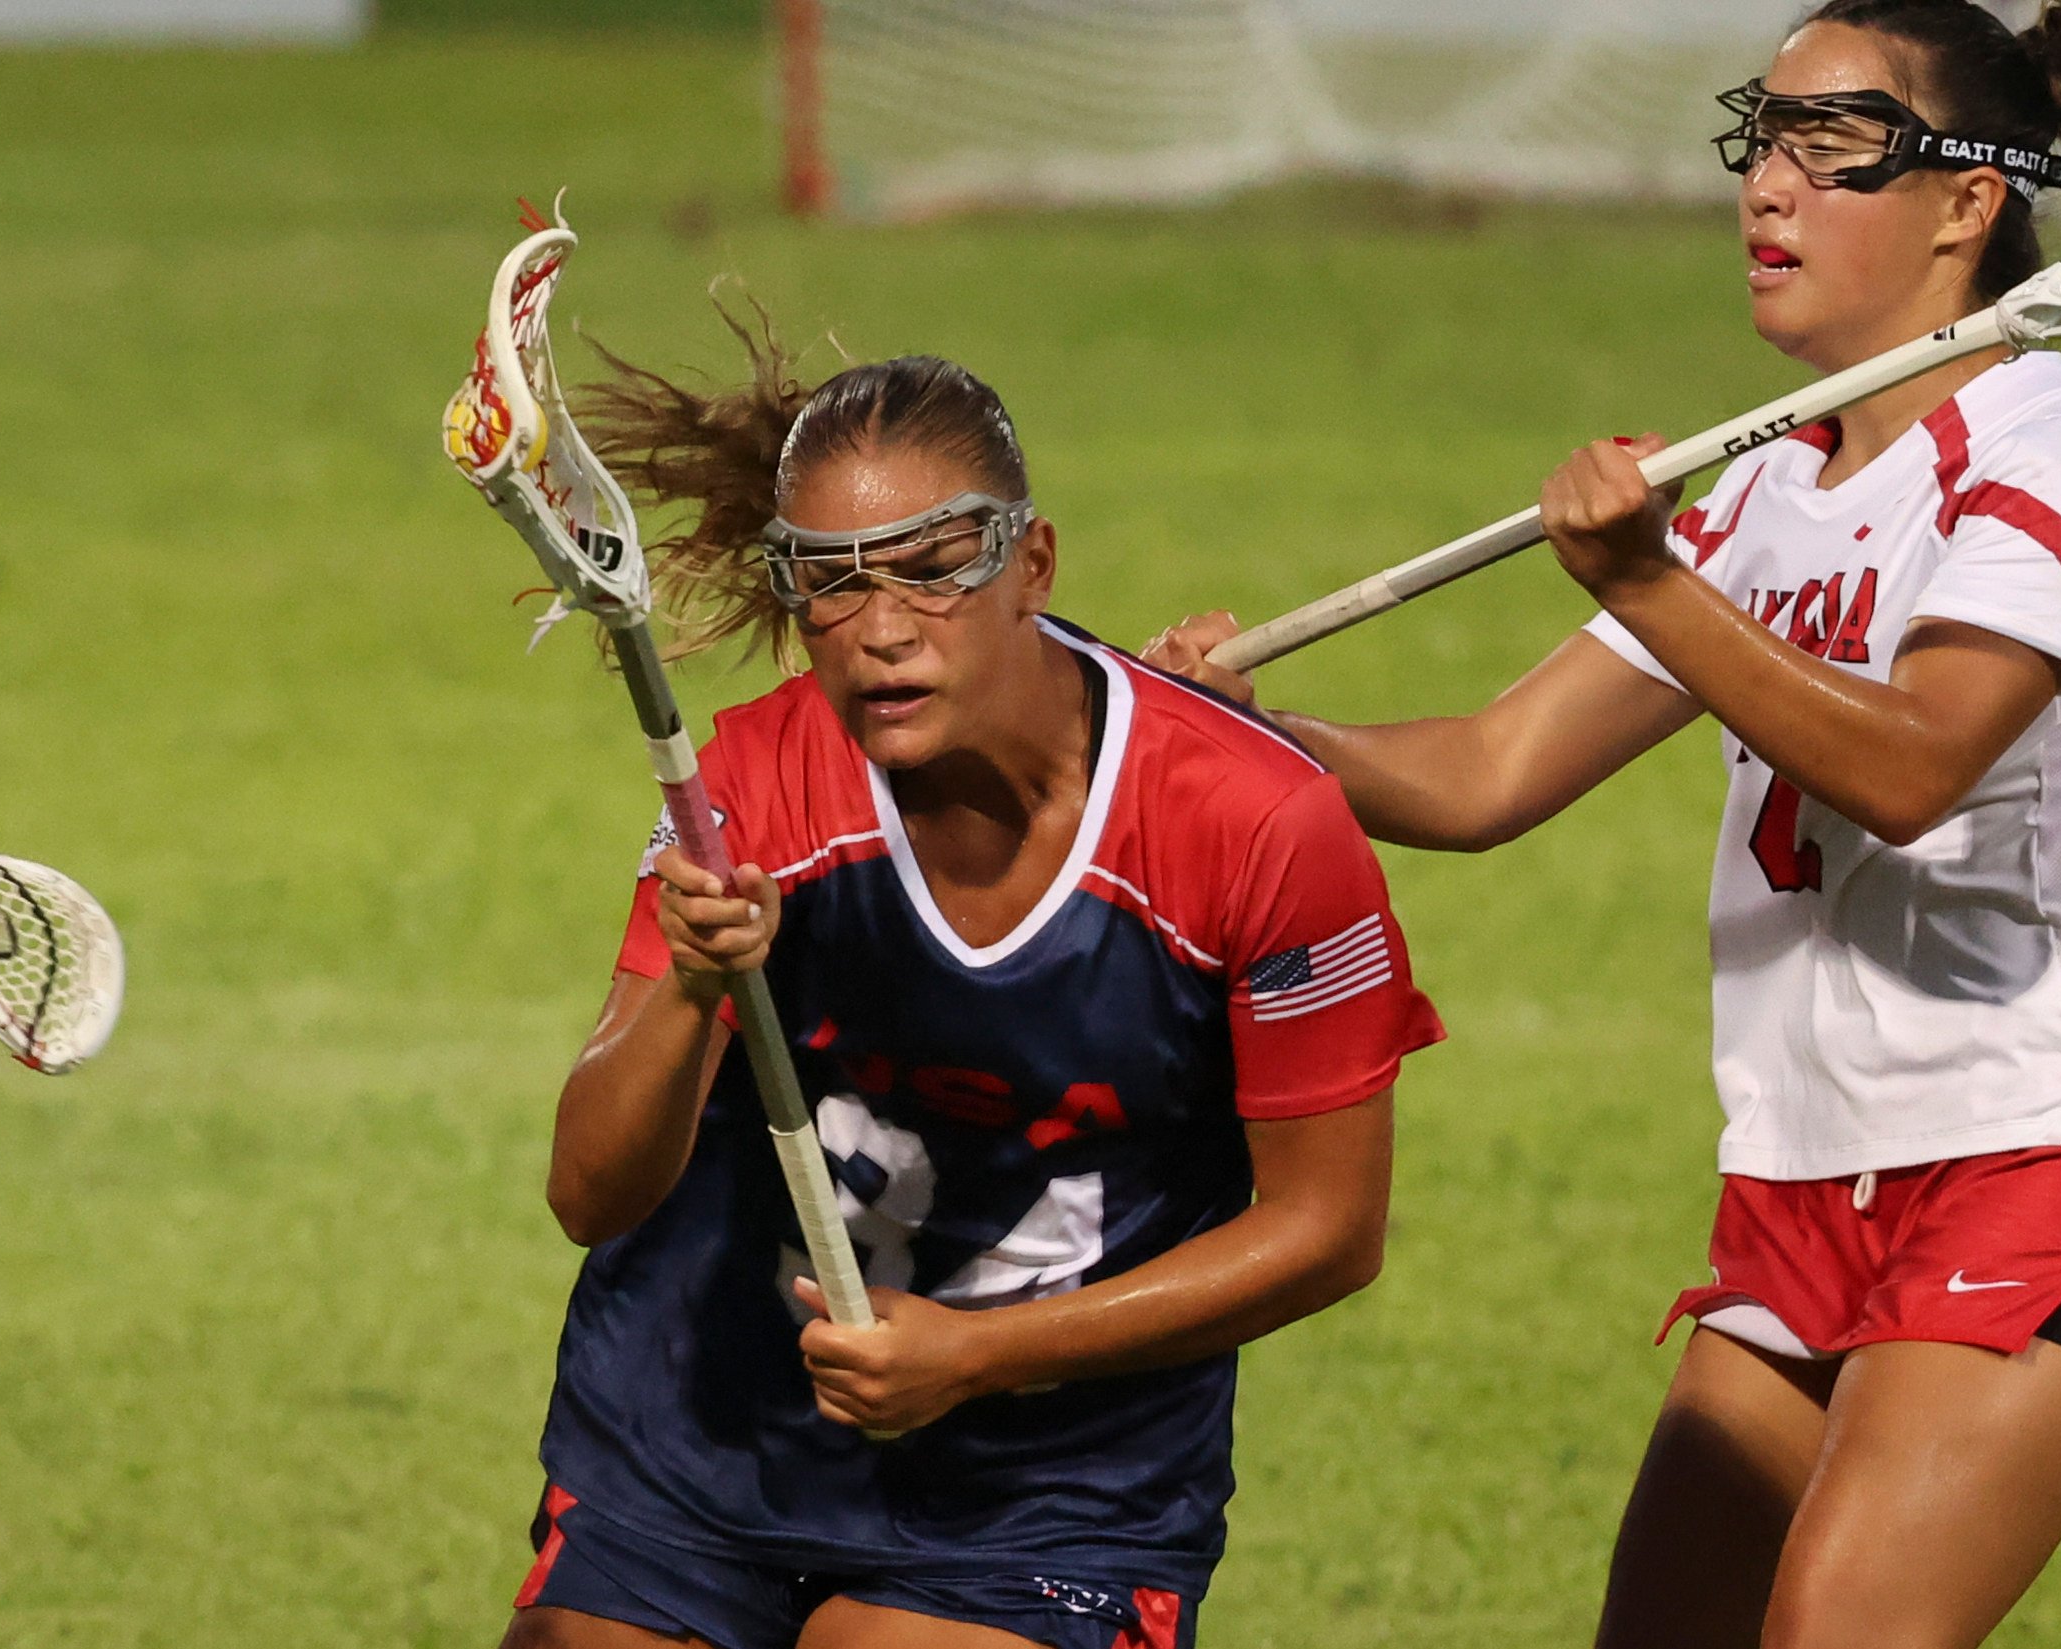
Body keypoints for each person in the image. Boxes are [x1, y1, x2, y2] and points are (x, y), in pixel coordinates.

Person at [1146, 4, 2061, 1645]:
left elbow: (1919, 762)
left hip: (2023, 1158)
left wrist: (1650, 580)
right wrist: (1249, 728)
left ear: (1964, 202)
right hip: (1799, 1173)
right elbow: (1488, 773)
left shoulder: (2039, 444)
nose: (1766, 190)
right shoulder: (1763, 490)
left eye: (1828, 148)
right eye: (1759, 140)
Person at [499, 344, 1442, 1649]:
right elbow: (587, 1192)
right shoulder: (757, 787)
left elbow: (1330, 1226)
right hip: (698, 1444)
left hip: (1046, 1490)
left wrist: (980, 1354)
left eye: (932, 567)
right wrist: (691, 993)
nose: (881, 629)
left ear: (1032, 563)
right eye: (827, 582)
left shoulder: (1256, 821)